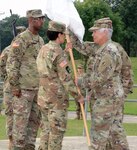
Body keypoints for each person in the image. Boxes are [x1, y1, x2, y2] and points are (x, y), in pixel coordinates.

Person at [71, 17, 130, 150]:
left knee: (99, 135)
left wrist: (80, 81)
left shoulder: (109, 52)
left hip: (107, 100)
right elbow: (83, 46)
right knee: (116, 135)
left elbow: (99, 78)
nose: (92, 34)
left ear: (104, 32)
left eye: (95, 31)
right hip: (110, 98)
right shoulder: (102, 49)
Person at [36, 20, 79, 150]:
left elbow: (50, 67)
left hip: (43, 97)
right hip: (56, 100)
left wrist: (64, 52)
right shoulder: (59, 53)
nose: (65, 37)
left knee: (46, 131)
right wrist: (78, 96)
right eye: (64, 34)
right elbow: (65, 78)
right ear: (59, 35)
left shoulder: (43, 49)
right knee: (56, 133)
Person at [6, 9, 45, 150]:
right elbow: (12, 63)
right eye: (38, 19)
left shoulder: (40, 40)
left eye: (42, 18)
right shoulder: (21, 39)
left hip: (37, 90)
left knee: (33, 128)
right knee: (20, 129)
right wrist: (15, 86)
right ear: (30, 20)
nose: (41, 21)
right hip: (23, 90)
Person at [0, 26, 26, 150]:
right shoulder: (8, 50)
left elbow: (1, 69)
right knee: (14, 114)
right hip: (14, 88)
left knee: (18, 115)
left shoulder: (8, 50)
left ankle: (15, 142)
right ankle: (12, 141)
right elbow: (1, 67)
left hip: (18, 87)